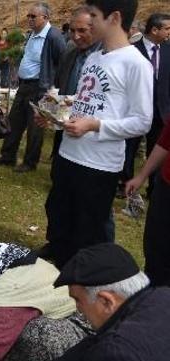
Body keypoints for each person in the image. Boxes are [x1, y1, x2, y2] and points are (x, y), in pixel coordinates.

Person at [42, 0, 153, 269]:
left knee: (86, 234)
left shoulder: (135, 63)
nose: (89, 22)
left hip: (98, 164)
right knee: (59, 219)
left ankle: (80, 290)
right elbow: (86, 100)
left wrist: (95, 126)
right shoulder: (94, 56)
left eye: (93, 15)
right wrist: (54, 110)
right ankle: (55, 275)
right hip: (69, 153)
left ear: (114, 18)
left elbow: (142, 121)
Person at [10, 243, 170, 361]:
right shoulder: (160, 297)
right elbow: (101, 340)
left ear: (106, 301)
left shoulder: (124, 356)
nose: (78, 310)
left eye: (78, 300)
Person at [39, 7, 103, 259]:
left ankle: (90, 256)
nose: (75, 36)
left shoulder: (106, 58)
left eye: (82, 31)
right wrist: (49, 111)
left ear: (96, 28)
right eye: (72, 30)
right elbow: (62, 91)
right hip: (65, 136)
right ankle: (57, 244)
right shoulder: (70, 53)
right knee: (58, 198)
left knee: (91, 209)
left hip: (93, 147)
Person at [0, 2, 66, 172]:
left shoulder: (54, 37)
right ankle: (8, 155)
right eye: (28, 16)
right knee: (14, 120)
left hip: (40, 88)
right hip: (24, 85)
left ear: (45, 17)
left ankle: (30, 161)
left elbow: (62, 63)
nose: (29, 19)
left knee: (35, 126)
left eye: (33, 16)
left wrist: (52, 88)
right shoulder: (32, 35)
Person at [122, 13, 170, 196]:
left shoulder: (168, 51)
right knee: (129, 147)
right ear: (154, 29)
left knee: (156, 150)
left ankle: (154, 188)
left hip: (161, 111)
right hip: (135, 109)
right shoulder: (131, 50)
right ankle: (124, 183)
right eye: (166, 28)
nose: (169, 32)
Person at [126, 123, 170, 286]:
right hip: (166, 187)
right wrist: (142, 175)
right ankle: (152, 295)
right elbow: (165, 142)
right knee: (155, 247)